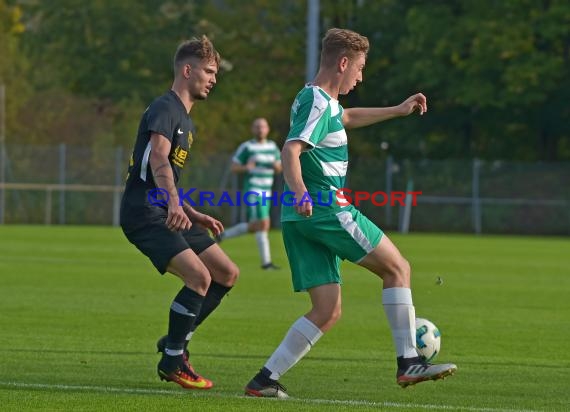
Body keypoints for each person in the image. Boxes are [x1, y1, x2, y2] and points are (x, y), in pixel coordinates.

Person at [244, 28, 457, 398]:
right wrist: (301, 193)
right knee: (398, 268)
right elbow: (290, 151)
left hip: (300, 218)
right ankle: (409, 362)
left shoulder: (318, 101)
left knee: (327, 310)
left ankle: (265, 380)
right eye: (359, 68)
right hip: (323, 206)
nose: (360, 76)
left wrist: (397, 110)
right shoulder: (316, 102)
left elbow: (346, 118)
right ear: (343, 63)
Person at [120, 35, 239, 390]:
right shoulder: (164, 108)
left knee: (226, 273)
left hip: (167, 208)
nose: (213, 79)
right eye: (208, 71)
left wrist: (189, 210)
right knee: (199, 278)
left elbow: (168, 173)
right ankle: (173, 360)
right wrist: (172, 203)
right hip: (144, 213)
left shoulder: (188, 121)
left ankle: (174, 343)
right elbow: (157, 157)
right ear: (187, 70)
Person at [220, 118, 282, 270]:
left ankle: (222, 236)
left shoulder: (272, 147)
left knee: (256, 226)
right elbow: (234, 168)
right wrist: (247, 167)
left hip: (267, 191)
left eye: (263, 126)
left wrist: (276, 166)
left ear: (267, 129)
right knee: (264, 223)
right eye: (257, 127)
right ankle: (266, 263)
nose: (260, 129)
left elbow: (280, 168)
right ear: (252, 129)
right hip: (253, 190)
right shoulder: (247, 147)